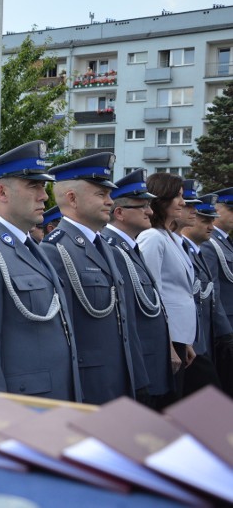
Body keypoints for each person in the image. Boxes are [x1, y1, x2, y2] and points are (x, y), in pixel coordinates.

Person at [0, 141, 81, 401]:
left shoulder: (30, 246)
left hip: (54, 398)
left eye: (43, 186)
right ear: (2, 192)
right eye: (34, 186)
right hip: (23, 406)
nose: (44, 195)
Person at [42, 152, 136, 405]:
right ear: (72, 198)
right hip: (89, 384)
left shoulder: (105, 245)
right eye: (101, 194)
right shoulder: (55, 250)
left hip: (120, 376)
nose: (110, 202)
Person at [101, 169, 172, 410]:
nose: (150, 212)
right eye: (141, 206)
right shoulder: (112, 249)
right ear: (119, 213)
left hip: (151, 363)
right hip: (139, 368)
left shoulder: (129, 248)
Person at [136, 173, 196, 404]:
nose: (183, 202)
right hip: (167, 339)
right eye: (178, 197)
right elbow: (153, 294)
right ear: (162, 199)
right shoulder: (152, 237)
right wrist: (169, 344)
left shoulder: (168, 236)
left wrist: (185, 341)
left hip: (180, 337)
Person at [180, 193, 232, 395]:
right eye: (205, 220)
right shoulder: (208, 247)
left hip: (207, 336)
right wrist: (225, 333)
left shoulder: (203, 248)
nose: (210, 225)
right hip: (195, 339)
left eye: (212, 220)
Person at [203, 187, 233, 395]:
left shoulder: (226, 243)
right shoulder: (210, 244)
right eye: (231, 209)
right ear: (216, 210)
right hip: (226, 331)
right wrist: (226, 333)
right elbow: (213, 291)